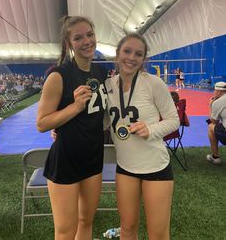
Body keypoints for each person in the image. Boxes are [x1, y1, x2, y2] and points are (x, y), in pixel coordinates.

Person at [37, 16, 108, 240]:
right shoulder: (59, 75)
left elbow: (100, 115)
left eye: (90, 34)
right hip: (66, 161)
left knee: (86, 222)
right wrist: (75, 107)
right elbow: (42, 123)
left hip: (93, 158)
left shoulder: (101, 73)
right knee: (65, 231)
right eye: (78, 37)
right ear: (69, 44)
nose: (87, 41)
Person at [105, 34, 180, 240]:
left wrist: (151, 129)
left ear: (144, 59)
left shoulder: (153, 83)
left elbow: (174, 120)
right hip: (125, 168)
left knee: (157, 234)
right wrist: (63, 128)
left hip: (155, 167)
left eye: (139, 54)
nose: (132, 57)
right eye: (127, 51)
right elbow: (103, 121)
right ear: (118, 54)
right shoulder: (108, 86)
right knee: (127, 228)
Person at [206, 81, 226, 165]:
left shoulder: (218, 102)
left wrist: (210, 106)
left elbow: (213, 121)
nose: (213, 92)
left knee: (210, 126)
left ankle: (215, 157)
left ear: (219, 92)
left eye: (214, 90)